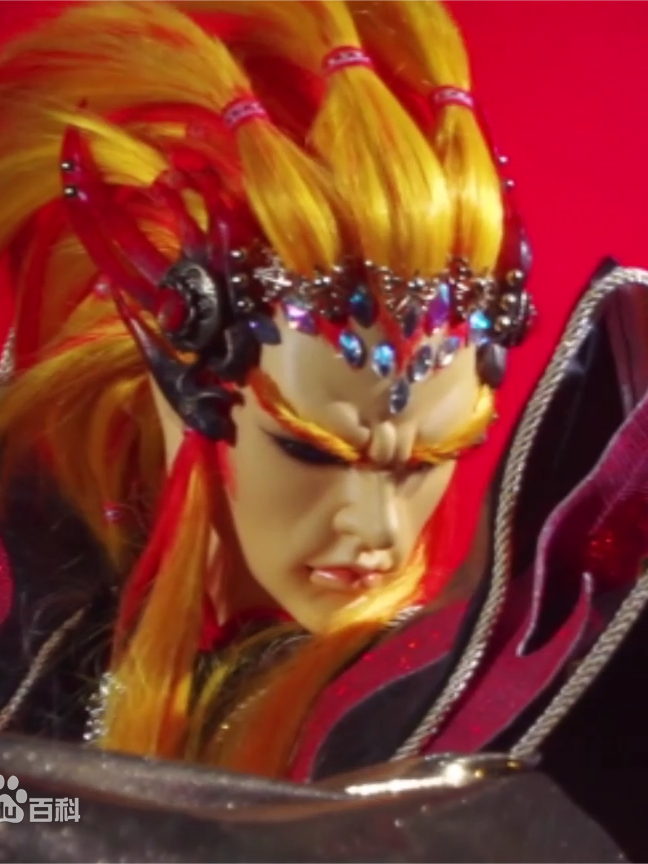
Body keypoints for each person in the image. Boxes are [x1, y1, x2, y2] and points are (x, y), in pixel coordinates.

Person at [0, 0, 646, 859]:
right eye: (309, 450)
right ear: (175, 399)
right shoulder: (55, 649)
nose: (377, 528)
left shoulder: (433, 723)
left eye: (430, 461)